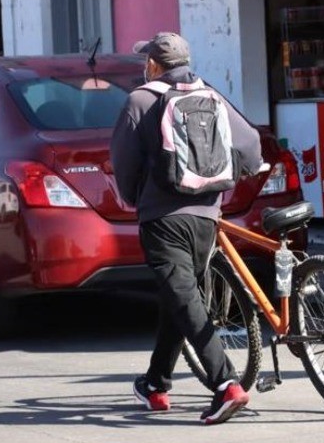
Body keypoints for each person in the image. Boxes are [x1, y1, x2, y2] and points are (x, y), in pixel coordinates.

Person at [110, 32, 262, 425]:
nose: (145, 67)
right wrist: (231, 176)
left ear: (155, 65)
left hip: (163, 219)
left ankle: (226, 384)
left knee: (184, 300)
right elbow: (250, 145)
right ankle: (156, 384)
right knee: (179, 298)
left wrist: (134, 199)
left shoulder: (140, 100)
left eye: (148, 61)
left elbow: (124, 166)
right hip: (207, 217)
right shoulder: (209, 95)